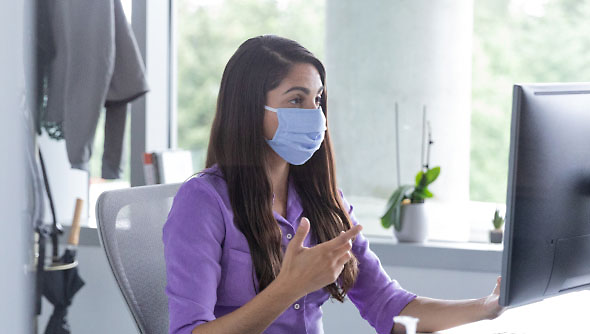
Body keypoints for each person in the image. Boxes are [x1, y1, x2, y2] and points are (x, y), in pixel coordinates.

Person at [162, 35, 504, 334]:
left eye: (318, 100)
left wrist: (486, 307)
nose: (314, 114)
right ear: (251, 110)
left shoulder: (323, 200)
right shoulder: (203, 201)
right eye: (296, 100)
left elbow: (386, 304)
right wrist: (289, 287)